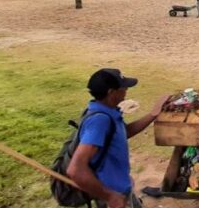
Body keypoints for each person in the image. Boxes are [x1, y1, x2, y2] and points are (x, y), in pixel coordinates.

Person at [67, 68, 169, 208]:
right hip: (112, 196)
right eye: (123, 87)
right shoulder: (99, 121)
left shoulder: (107, 111)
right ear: (111, 92)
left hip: (122, 188)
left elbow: (123, 132)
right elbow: (75, 169)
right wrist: (109, 196)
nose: (126, 89)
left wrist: (153, 113)